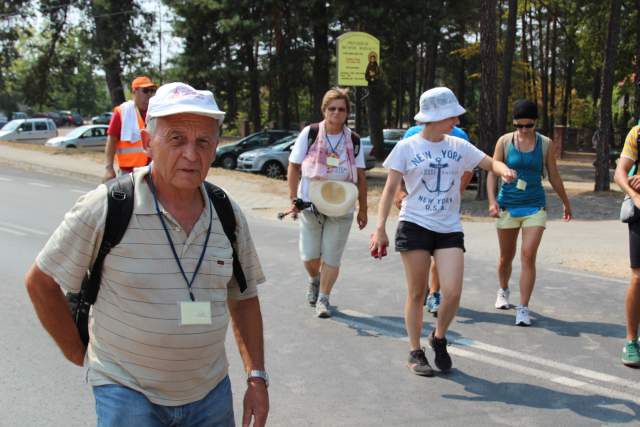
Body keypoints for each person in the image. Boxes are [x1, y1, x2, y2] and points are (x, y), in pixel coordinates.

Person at [25, 82, 269, 426]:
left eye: (203, 141)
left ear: (216, 147)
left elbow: (243, 297)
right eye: (176, 139)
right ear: (146, 143)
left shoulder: (227, 212)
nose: (191, 154)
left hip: (210, 394)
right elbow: (40, 282)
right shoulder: (107, 205)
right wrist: (82, 356)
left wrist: (256, 377)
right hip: (127, 392)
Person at [370, 87, 516, 376]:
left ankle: (438, 337)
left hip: (448, 227)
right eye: (452, 117)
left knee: (452, 292)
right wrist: (380, 229)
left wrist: (503, 170)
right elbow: (389, 191)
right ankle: (415, 352)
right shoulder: (407, 147)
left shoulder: (458, 146)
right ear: (435, 117)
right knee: (416, 293)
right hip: (414, 224)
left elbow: (489, 162)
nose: (457, 123)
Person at [487, 100, 572, 327]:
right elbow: (492, 172)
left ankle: (523, 308)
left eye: (528, 125)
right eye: (519, 125)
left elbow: (554, 175)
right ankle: (503, 290)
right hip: (508, 206)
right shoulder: (504, 141)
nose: (524, 130)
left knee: (528, 255)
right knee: (506, 257)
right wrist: (492, 200)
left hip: (535, 206)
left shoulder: (545, 144)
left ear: (535, 122)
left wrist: (566, 202)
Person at [287, 87, 368, 318]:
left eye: (341, 109)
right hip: (311, 204)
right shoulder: (310, 133)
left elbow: (360, 176)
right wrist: (293, 198)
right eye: (331, 108)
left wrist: (363, 208)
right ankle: (314, 279)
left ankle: (324, 298)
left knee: (332, 255)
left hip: (342, 207)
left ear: (347, 112)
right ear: (324, 110)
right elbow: (293, 166)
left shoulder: (353, 139)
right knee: (310, 256)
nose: (336, 113)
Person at [396, 124, 475, 316]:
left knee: (441, 258)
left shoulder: (459, 136)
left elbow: (468, 169)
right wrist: (400, 192)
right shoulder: (413, 134)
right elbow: (401, 168)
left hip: (445, 214)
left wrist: (454, 192)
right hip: (417, 214)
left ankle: (434, 292)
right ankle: (421, 291)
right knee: (419, 263)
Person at [614, 123, 640, 367]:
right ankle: (631, 341)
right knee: (638, 277)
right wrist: (634, 195)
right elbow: (620, 172)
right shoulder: (637, 133)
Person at [103, 76, 157, 182]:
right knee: (126, 198)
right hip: (128, 172)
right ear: (134, 92)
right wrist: (109, 168)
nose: (149, 94)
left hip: (152, 170)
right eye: (145, 91)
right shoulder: (122, 112)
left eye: (152, 91)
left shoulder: (156, 112)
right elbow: (111, 140)